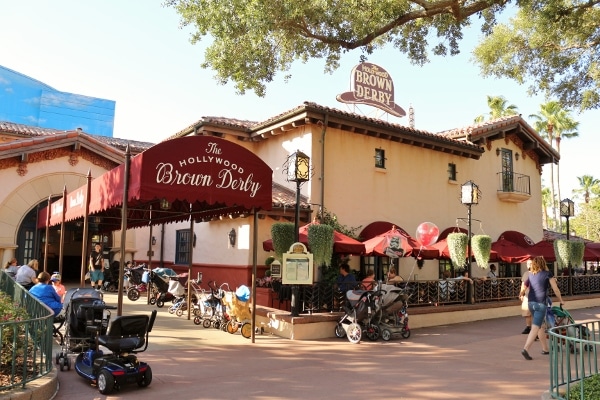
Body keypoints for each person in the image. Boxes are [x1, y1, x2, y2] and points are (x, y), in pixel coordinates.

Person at [520, 256, 565, 360]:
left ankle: (545, 349)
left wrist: (521, 293)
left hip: (531, 303)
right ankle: (525, 349)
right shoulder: (547, 274)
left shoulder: (531, 274)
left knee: (540, 326)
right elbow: (555, 289)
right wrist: (561, 300)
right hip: (540, 304)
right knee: (535, 327)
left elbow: (524, 286)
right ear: (543, 263)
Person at [521, 259, 533, 334]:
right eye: (528, 264)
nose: (529, 265)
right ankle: (528, 327)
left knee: (534, 313)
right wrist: (521, 294)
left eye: (530, 263)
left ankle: (535, 328)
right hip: (527, 296)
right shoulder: (526, 274)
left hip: (535, 296)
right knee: (526, 312)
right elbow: (523, 285)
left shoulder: (537, 273)